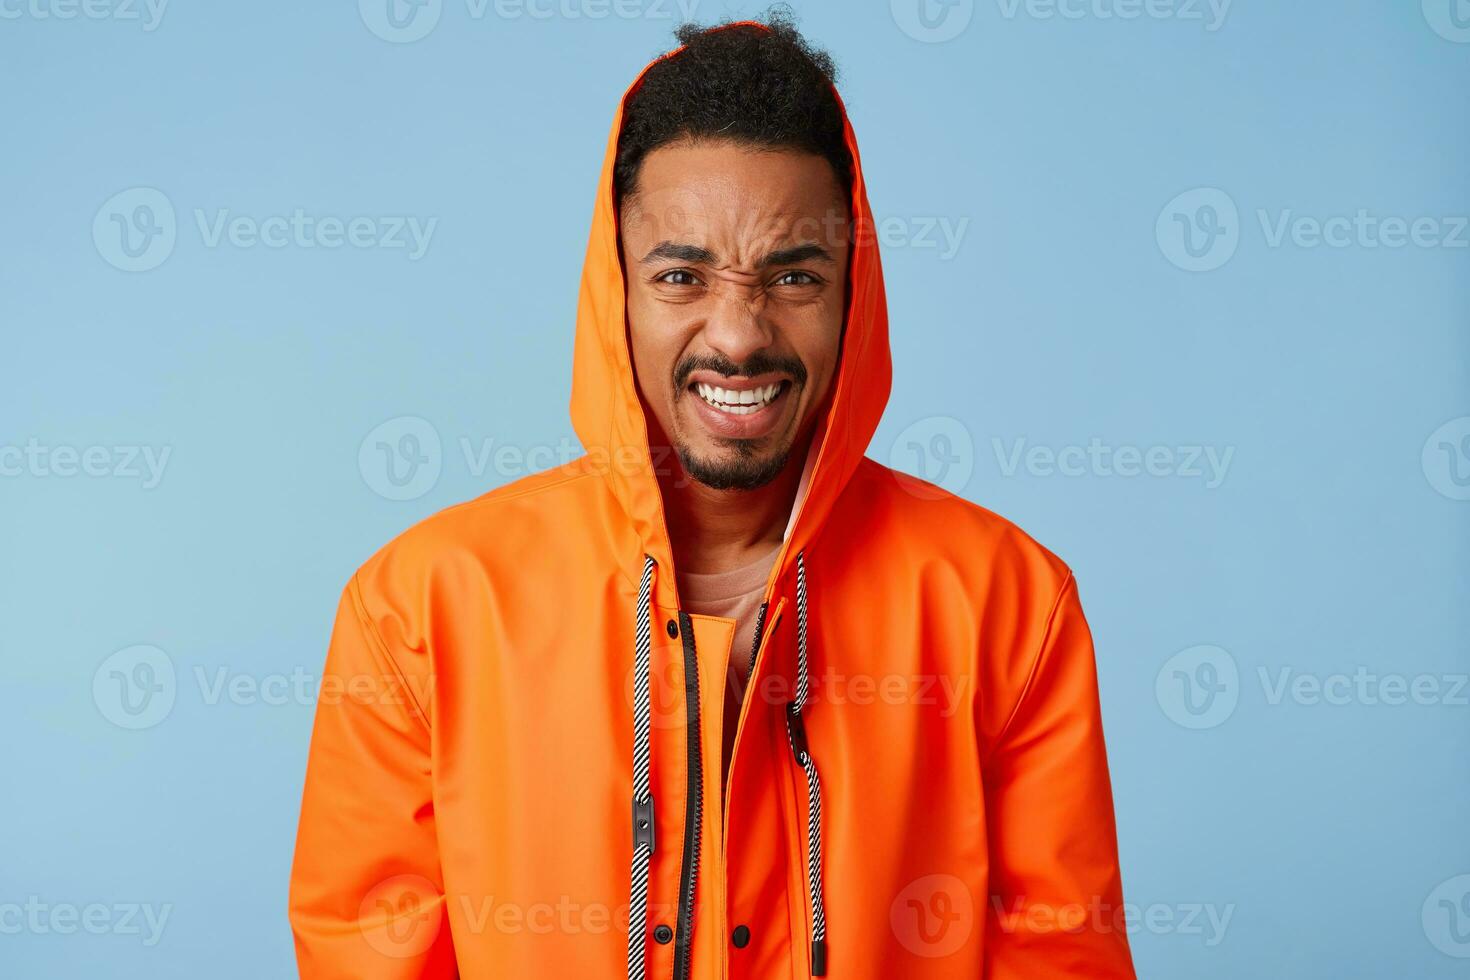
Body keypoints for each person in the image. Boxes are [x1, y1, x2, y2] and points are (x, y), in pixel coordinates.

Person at [289, 12, 1136, 979]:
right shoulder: (420, 613)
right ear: (617, 289)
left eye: (794, 275)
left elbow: (1061, 955)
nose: (738, 334)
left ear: (855, 294)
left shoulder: (1010, 609)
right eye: (682, 274)